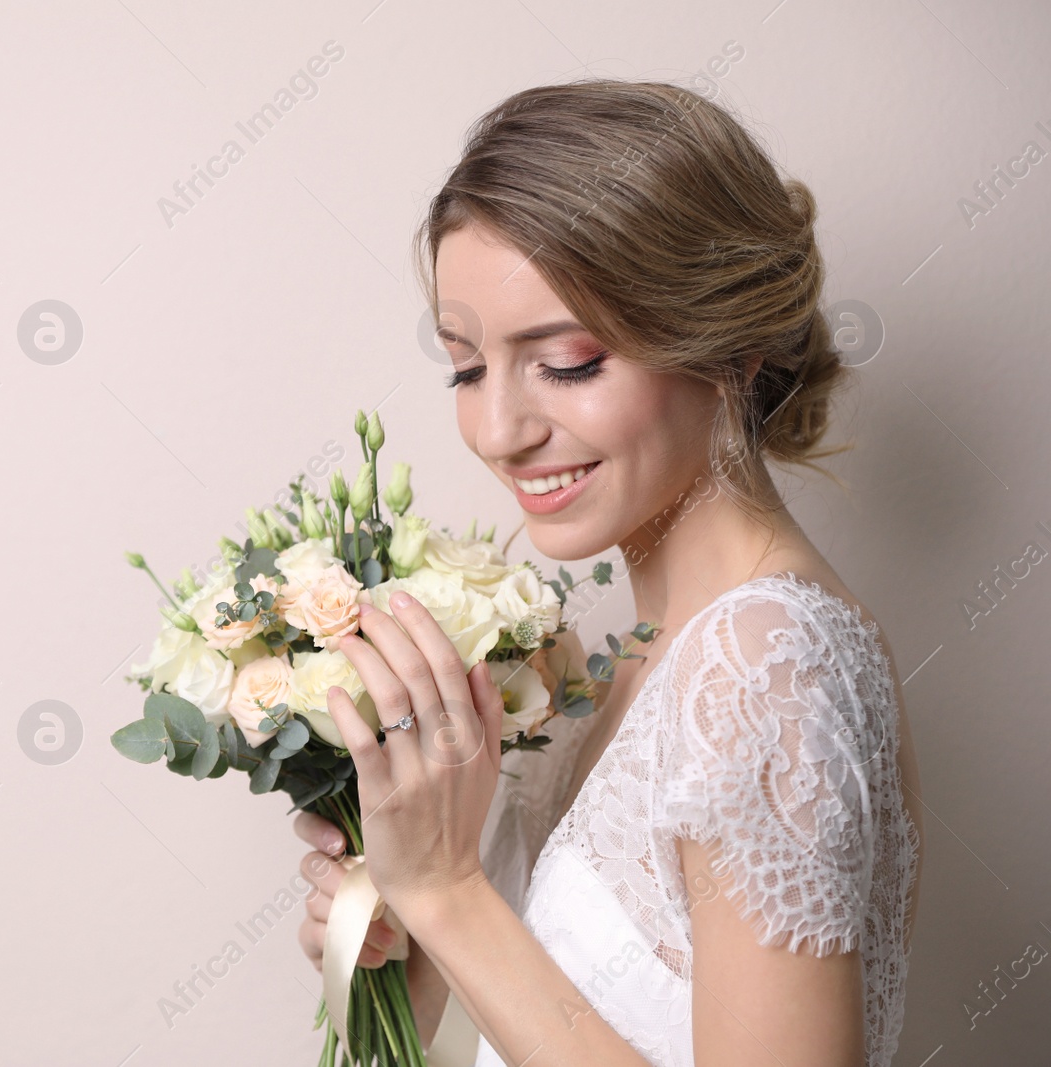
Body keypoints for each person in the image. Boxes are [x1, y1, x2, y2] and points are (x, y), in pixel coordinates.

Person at [292, 80, 925, 1067]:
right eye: (466, 368)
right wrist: (411, 949)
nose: (499, 430)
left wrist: (450, 893)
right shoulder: (616, 668)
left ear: (726, 346)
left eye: (571, 361)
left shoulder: (764, 666)